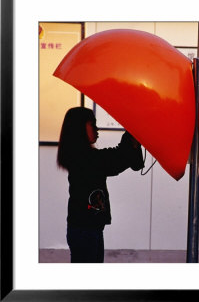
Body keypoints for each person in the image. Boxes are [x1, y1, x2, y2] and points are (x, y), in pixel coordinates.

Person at [57, 107, 144, 263]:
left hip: (88, 228)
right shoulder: (83, 159)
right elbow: (113, 160)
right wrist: (131, 137)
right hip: (85, 231)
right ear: (79, 128)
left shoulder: (82, 157)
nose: (97, 130)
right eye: (93, 124)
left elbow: (113, 159)